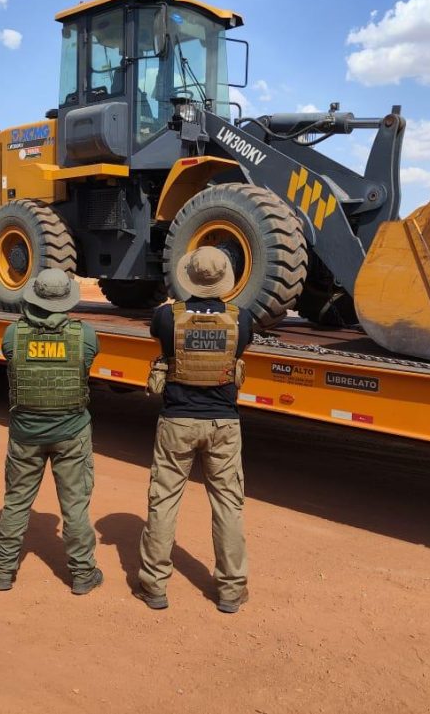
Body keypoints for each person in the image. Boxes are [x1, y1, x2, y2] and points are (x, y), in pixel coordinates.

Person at [136, 247, 254, 613]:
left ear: (189, 276)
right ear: (223, 279)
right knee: (228, 507)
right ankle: (231, 589)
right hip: (224, 423)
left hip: (177, 421)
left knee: (164, 502)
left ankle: (154, 585)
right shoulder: (242, 319)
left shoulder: (165, 317)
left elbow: (160, 339)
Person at [0, 268, 103, 595]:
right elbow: (86, 365)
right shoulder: (86, 335)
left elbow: (12, 360)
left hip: (25, 434)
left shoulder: (13, 335)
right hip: (71, 433)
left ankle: (3, 571)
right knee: (75, 506)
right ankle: (82, 575)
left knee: (15, 503)